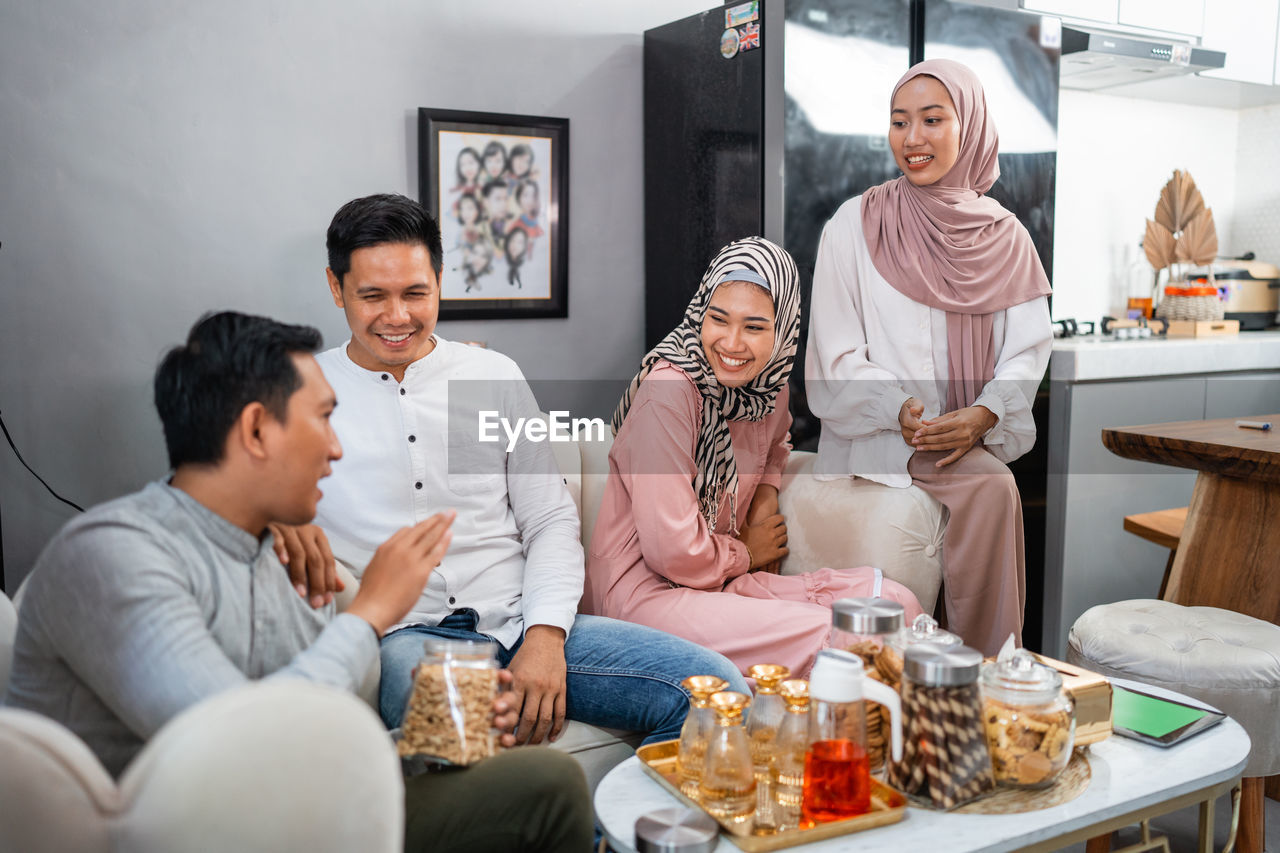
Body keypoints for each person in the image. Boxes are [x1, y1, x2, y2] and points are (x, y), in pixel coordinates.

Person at [2, 311, 593, 852]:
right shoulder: (113, 557)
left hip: (284, 808)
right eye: (324, 418)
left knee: (547, 780)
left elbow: (321, 729)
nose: (336, 449)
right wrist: (371, 614)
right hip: (185, 831)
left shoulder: (278, 551)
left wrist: (424, 738)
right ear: (257, 431)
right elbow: (237, 750)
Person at [311, 193, 749, 741]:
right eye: (372, 296)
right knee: (458, 743)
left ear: (440, 282)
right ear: (336, 288)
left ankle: (627, 828)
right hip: (410, 637)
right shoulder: (305, 395)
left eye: (415, 293)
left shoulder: (492, 376)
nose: (397, 317)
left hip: (519, 621)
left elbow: (549, 520)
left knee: (720, 693)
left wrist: (545, 637)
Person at [582, 237, 923, 678]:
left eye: (755, 327)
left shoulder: (768, 388)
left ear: (782, 331)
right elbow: (672, 553)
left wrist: (763, 498)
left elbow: (777, 446)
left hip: (717, 581)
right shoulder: (668, 392)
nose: (732, 343)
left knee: (896, 604)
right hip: (645, 595)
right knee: (844, 639)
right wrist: (746, 550)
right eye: (718, 320)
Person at [805, 59, 1052, 656]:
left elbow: (1026, 351)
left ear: (969, 127)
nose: (912, 139)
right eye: (899, 122)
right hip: (883, 436)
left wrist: (987, 413)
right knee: (994, 489)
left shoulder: (1005, 235)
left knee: (990, 483)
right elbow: (832, 356)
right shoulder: (854, 225)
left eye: (933, 120)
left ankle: (983, 674)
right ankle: (985, 667)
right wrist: (901, 409)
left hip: (966, 436)